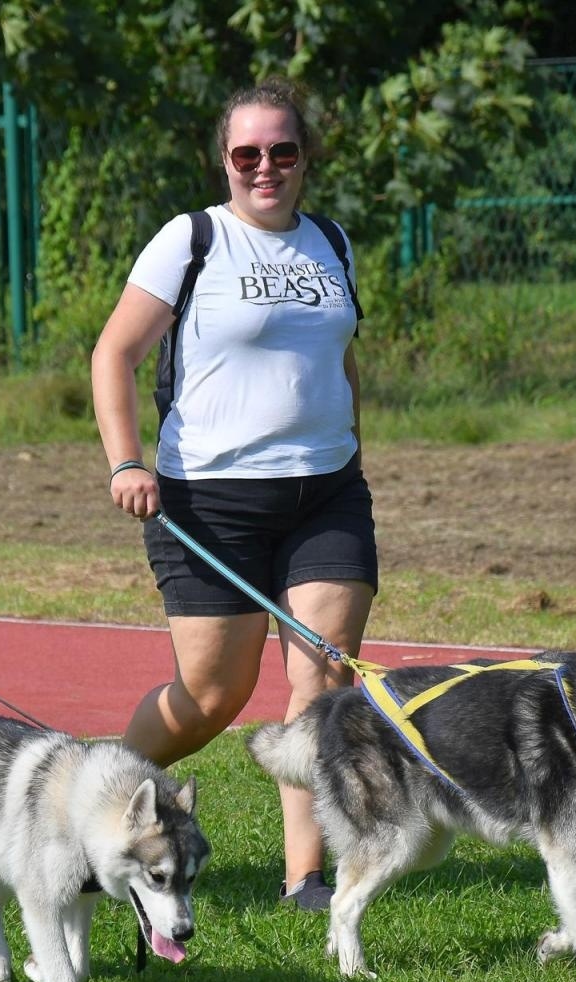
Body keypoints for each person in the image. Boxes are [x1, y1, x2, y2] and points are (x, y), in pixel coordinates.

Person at [90, 78, 375, 910]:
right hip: (207, 502)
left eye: (282, 151)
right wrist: (124, 463)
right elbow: (114, 356)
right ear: (225, 160)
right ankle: (100, 805)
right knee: (213, 696)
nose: (265, 167)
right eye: (247, 153)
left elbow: (339, 354)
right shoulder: (192, 241)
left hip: (326, 495)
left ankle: (306, 880)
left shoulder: (332, 242)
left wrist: (349, 437)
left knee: (324, 680)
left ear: (304, 159)